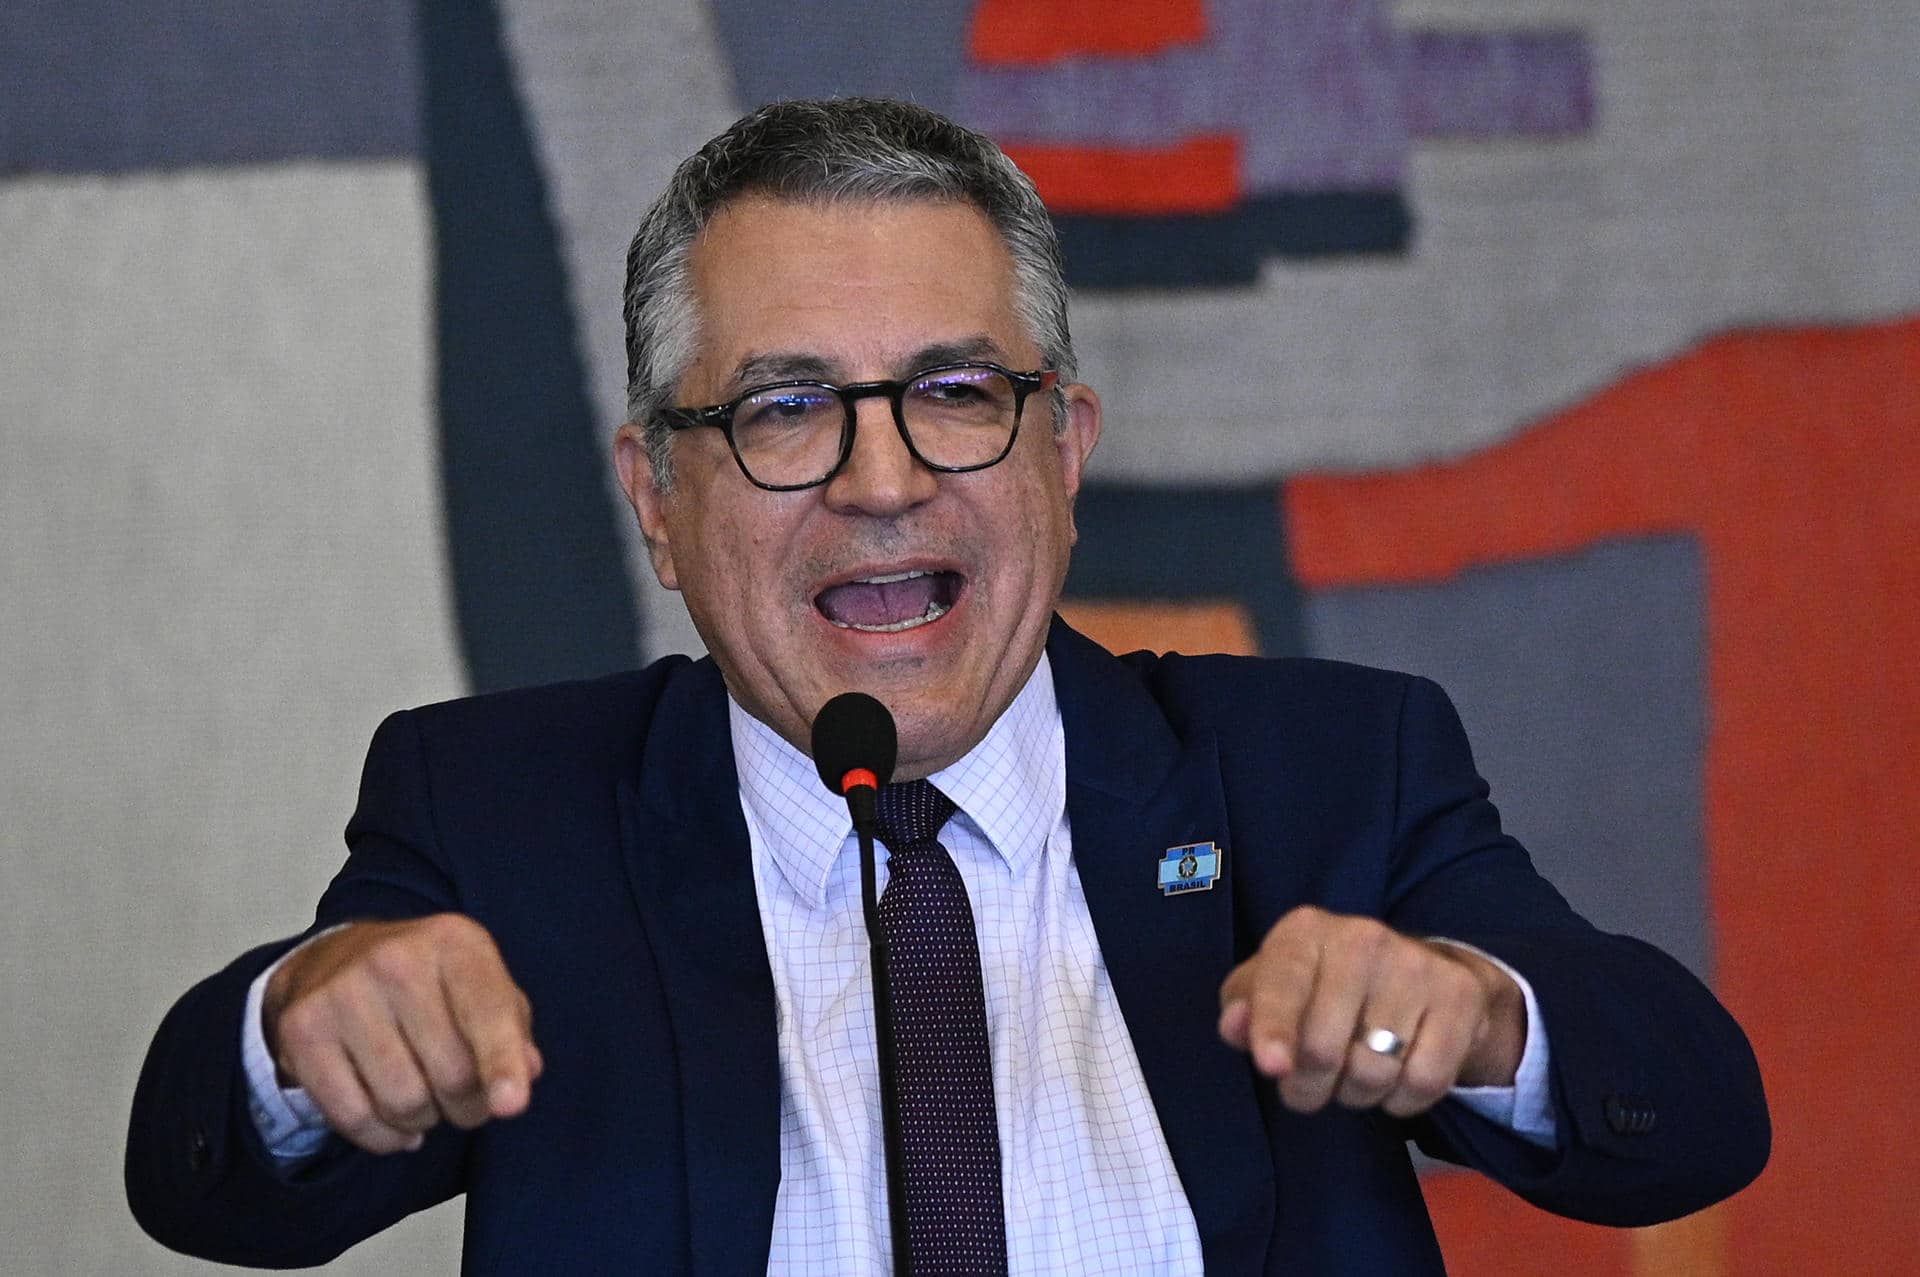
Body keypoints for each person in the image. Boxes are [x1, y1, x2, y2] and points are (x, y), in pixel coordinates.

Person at [126, 98, 1768, 1274]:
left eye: (958, 391)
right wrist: (303, 1028)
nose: (883, 479)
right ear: (655, 498)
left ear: (1066, 451)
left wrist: (1482, 1016)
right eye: (784, 410)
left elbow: (1689, 1110)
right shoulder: (500, 812)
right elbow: (208, 1182)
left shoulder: (1325, 772)